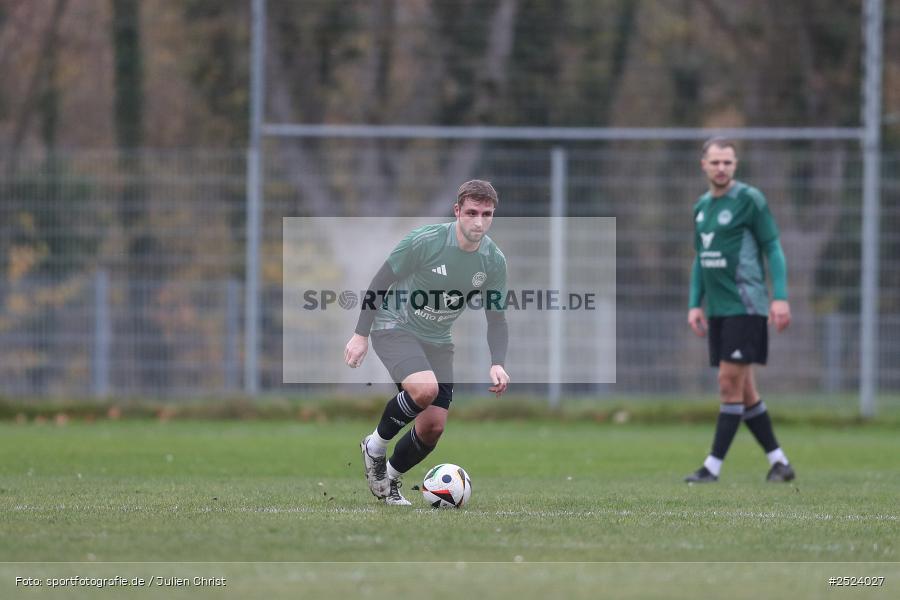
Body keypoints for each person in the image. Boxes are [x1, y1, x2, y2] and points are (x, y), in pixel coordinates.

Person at [345, 179, 510, 505]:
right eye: (472, 212)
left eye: (487, 214)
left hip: (437, 340)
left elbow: (497, 318)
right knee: (424, 389)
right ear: (457, 211)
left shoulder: (493, 261)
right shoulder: (425, 241)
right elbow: (380, 282)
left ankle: (389, 479)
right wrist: (360, 334)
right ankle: (374, 446)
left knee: (433, 427)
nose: (479, 222)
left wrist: (497, 362)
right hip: (395, 326)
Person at [684, 138, 796, 484]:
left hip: (746, 307)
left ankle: (711, 467)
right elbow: (701, 261)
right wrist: (694, 303)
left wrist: (780, 296)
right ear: (703, 164)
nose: (721, 168)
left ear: (735, 165)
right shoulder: (701, 208)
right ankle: (780, 463)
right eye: (715, 162)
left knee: (727, 383)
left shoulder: (749, 200)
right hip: (718, 311)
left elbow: (773, 248)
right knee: (744, 391)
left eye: (727, 163)